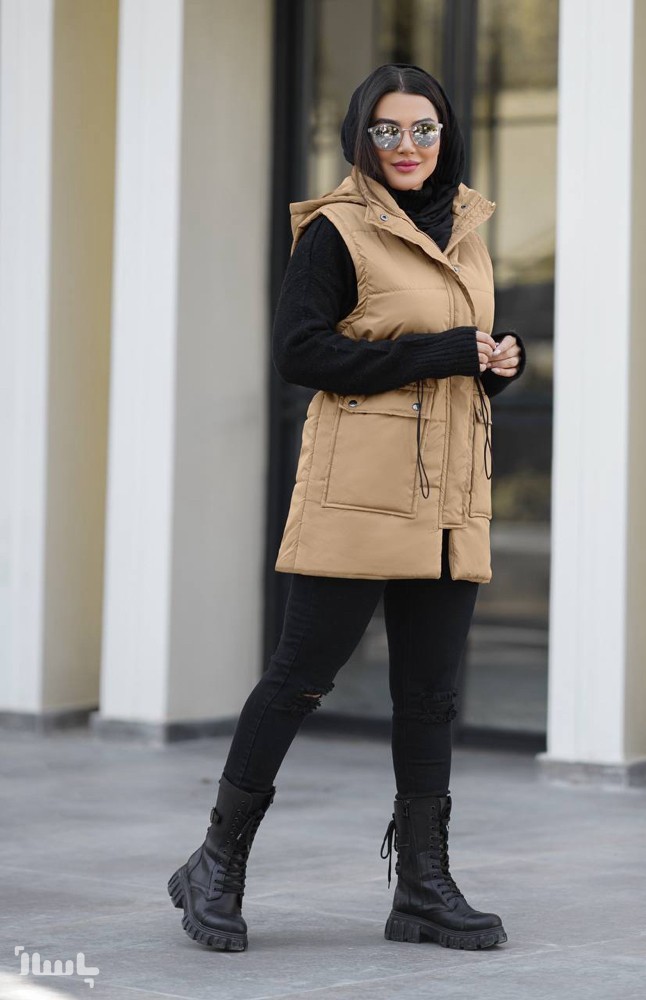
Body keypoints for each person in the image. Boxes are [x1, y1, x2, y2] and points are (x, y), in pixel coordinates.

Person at [167, 63, 525, 954]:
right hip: (358, 493)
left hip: (451, 499)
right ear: (361, 136)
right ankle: (215, 862)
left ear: (446, 136)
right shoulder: (336, 230)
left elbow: (452, 360)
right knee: (299, 677)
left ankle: (424, 889)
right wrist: (438, 351)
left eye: (424, 130)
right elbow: (301, 353)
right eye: (388, 130)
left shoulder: (467, 228)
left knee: (430, 696)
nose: (408, 146)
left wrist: (493, 364)